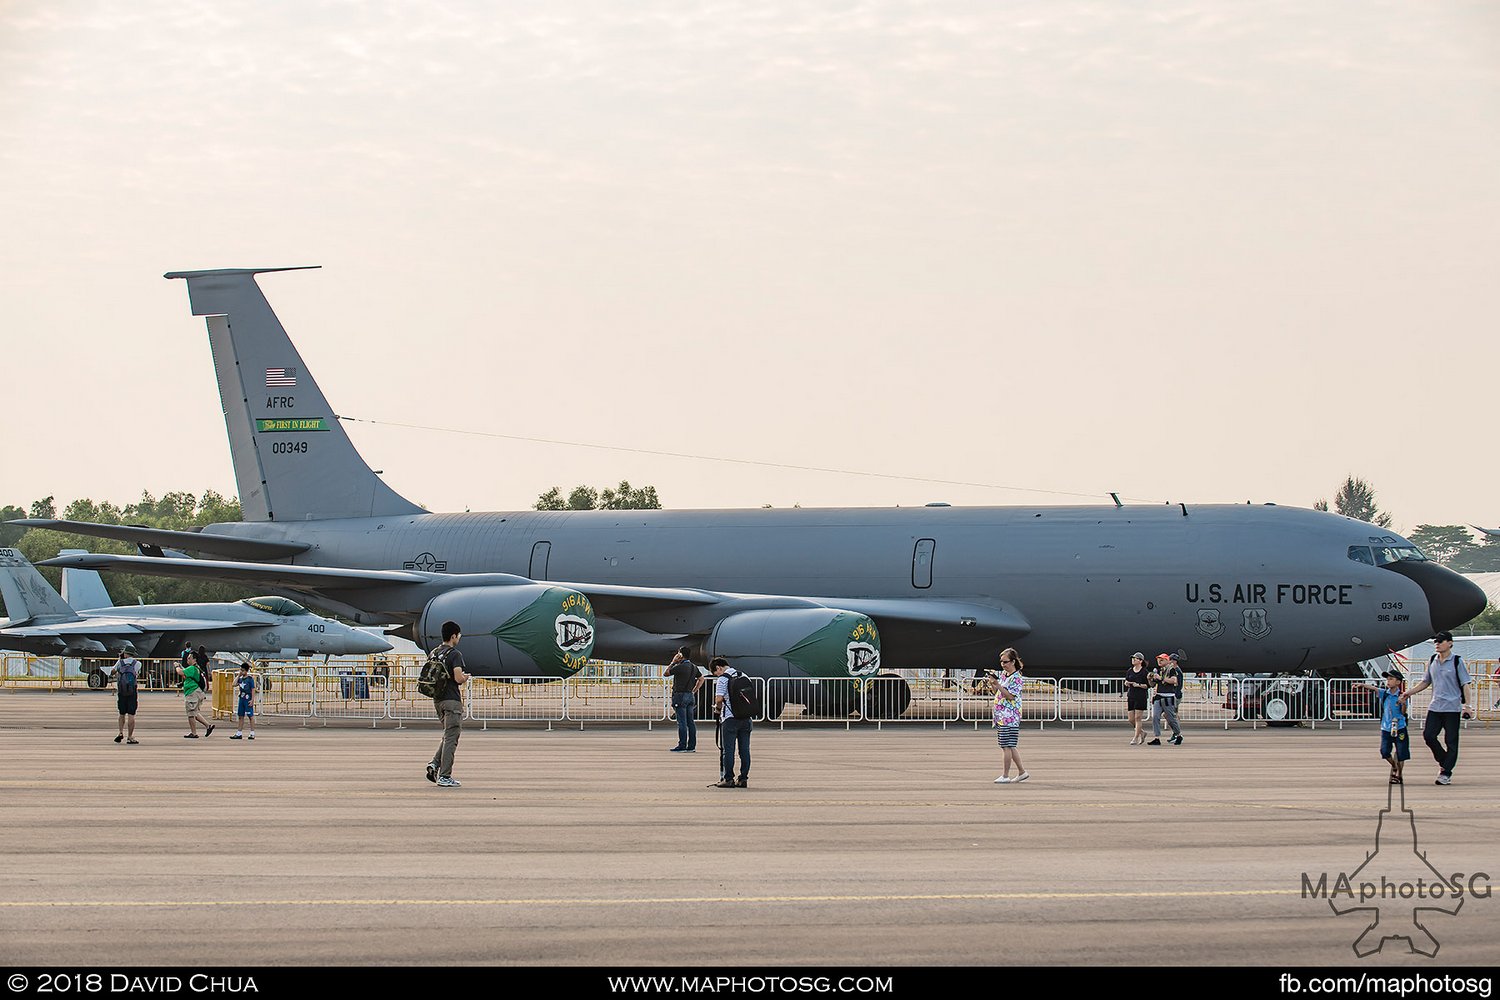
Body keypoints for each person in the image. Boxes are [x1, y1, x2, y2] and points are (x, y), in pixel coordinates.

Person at [1402, 632, 1471, 785]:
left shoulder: (1457, 661)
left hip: (1452, 707)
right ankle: (1444, 761)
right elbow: (1425, 682)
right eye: (1435, 642)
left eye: (1440, 641)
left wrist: (1468, 706)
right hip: (1435, 706)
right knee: (1429, 735)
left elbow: (1465, 684)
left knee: (1451, 740)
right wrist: (1408, 693)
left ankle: (1446, 772)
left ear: (1450, 643)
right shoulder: (1432, 660)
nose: (1437, 644)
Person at [425, 620, 469, 788]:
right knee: (452, 737)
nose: (459, 638)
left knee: (447, 735)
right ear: (453, 636)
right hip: (452, 701)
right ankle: (445, 776)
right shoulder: (455, 654)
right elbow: (457, 678)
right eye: (458, 636)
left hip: (438, 700)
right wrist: (465, 677)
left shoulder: (434, 652)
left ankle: (434, 764)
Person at [1356, 669, 1409, 784]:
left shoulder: (1402, 696)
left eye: (1391, 679)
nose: (1388, 681)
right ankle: (1394, 766)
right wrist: (1362, 685)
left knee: (1401, 752)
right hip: (1386, 728)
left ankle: (1398, 775)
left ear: (1398, 682)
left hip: (1399, 727)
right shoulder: (1385, 694)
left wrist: (1403, 703)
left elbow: (1403, 712)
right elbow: (1374, 689)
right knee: (1384, 751)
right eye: (1387, 679)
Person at [710, 657, 750, 788]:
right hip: (746, 718)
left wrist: (717, 709)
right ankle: (743, 778)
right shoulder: (743, 675)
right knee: (744, 750)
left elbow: (719, 699)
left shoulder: (723, 679)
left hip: (730, 719)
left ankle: (728, 779)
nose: (717, 675)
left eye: (716, 673)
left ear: (718, 668)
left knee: (728, 750)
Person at [990, 648, 1028, 783]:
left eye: (1005, 662)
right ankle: (1022, 772)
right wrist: (994, 684)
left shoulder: (1017, 678)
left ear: (1013, 661)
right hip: (1002, 715)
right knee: (1010, 745)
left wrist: (999, 685)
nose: (1003, 664)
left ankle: (1005, 775)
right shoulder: (1004, 675)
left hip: (1010, 716)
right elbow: (998, 693)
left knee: (1006, 746)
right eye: (1001, 662)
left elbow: (1010, 696)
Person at [664, 645, 704, 753]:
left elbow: (666, 673)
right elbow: (701, 679)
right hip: (690, 695)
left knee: (681, 722)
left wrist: (673, 661)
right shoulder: (694, 667)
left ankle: (682, 745)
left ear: (680, 655)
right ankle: (691, 746)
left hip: (680, 695)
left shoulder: (679, 667)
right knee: (690, 722)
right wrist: (694, 690)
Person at [1146, 652, 1183, 746]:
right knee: (1155, 717)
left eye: (1162, 659)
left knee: (1171, 718)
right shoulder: (1158, 670)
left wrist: (1161, 678)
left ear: (1167, 660)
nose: (1159, 661)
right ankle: (1157, 737)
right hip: (1158, 696)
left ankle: (1178, 734)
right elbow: (1153, 685)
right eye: (1158, 660)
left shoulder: (1171, 670)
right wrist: (1150, 679)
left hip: (1168, 697)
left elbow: (1174, 681)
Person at [176, 649, 214, 739]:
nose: (187, 659)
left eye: (189, 658)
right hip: (197, 692)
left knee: (191, 714)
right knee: (195, 712)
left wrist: (177, 666)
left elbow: (180, 672)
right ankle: (208, 726)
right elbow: (186, 675)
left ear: (194, 659)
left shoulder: (192, 668)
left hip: (192, 693)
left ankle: (194, 733)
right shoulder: (196, 668)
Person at [113, 651, 141, 744]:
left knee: (121, 714)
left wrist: (119, 660)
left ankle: (120, 732)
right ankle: (130, 736)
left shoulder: (120, 662)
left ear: (125, 654)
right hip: (132, 692)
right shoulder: (137, 663)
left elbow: (112, 672)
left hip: (121, 691)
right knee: (131, 715)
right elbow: (137, 674)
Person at [1124, 652, 1150, 745]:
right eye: (1133, 658)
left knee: (1138, 717)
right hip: (1131, 695)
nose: (1133, 660)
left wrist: (1138, 685)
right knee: (1131, 719)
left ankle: (1135, 737)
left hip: (1140, 696)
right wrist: (1127, 683)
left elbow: (1148, 685)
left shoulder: (1144, 672)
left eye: (1135, 658)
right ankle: (1142, 732)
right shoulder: (1130, 670)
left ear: (1140, 661)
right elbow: (1126, 680)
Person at [229, 663, 257, 740]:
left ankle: (252, 733)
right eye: (241, 670)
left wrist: (252, 699)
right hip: (241, 698)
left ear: (246, 671)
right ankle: (239, 732)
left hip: (248, 698)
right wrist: (238, 676)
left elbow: (253, 689)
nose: (241, 671)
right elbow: (234, 684)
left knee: (250, 716)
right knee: (240, 716)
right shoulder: (241, 679)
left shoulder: (250, 679)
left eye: (243, 670)